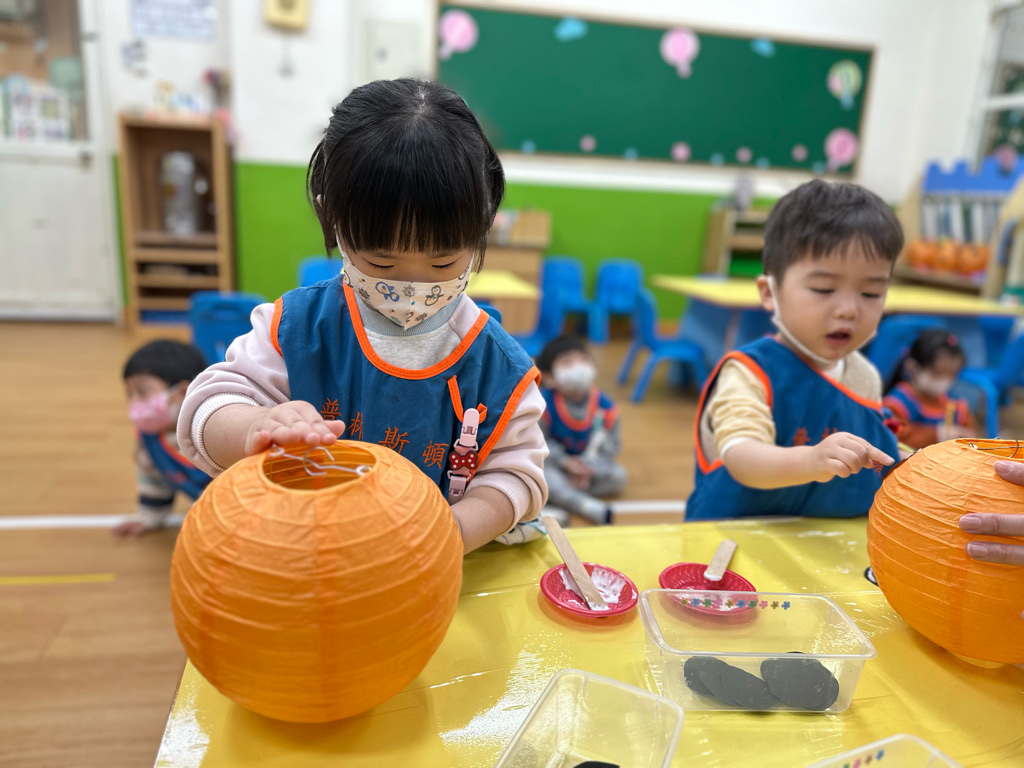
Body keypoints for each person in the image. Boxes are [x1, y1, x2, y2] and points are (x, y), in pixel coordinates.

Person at [177, 79, 547, 553]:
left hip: (426, 570)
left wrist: (450, 533)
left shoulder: (496, 364)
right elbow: (206, 409)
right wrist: (255, 426)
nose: (412, 285)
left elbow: (518, 475)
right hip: (305, 555)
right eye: (382, 263)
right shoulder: (297, 328)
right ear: (332, 220)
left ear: (484, 224)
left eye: (442, 264)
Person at [688, 180, 901, 520]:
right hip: (735, 538)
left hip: (825, 538)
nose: (849, 310)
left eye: (871, 294)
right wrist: (811, 460)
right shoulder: (749, 373)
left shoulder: (866, 377)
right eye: (824, 289)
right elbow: (741, 456)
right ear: (769, 293)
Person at [117, 340, 210, 537]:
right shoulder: (148, 439)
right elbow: (154, 478)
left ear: (182, 392)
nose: (134, 402)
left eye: (143, 392)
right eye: (129, 393)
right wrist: (150, 519)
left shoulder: (212, 429)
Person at [536, 336, 626, 525]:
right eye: (567, 362)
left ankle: (560, 499)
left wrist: (587, 469)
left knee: (618, 476)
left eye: (584, 360)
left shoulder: (606, 407)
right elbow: (538, 444)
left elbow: (610, 448)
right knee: (540, 477)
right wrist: (566, 463)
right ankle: (584, 505)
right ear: (549, 378)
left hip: (588, 469)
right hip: (554, 465)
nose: (578, 367)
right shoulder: (541, 405)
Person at [883, 329, 976, 449]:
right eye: (937, 374)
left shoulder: (957, 407)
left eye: (951, 375)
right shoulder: (895, 404)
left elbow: (971, 438)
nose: (944, 380)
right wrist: (937, 435)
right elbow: (894, 438)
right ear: (912, 367)